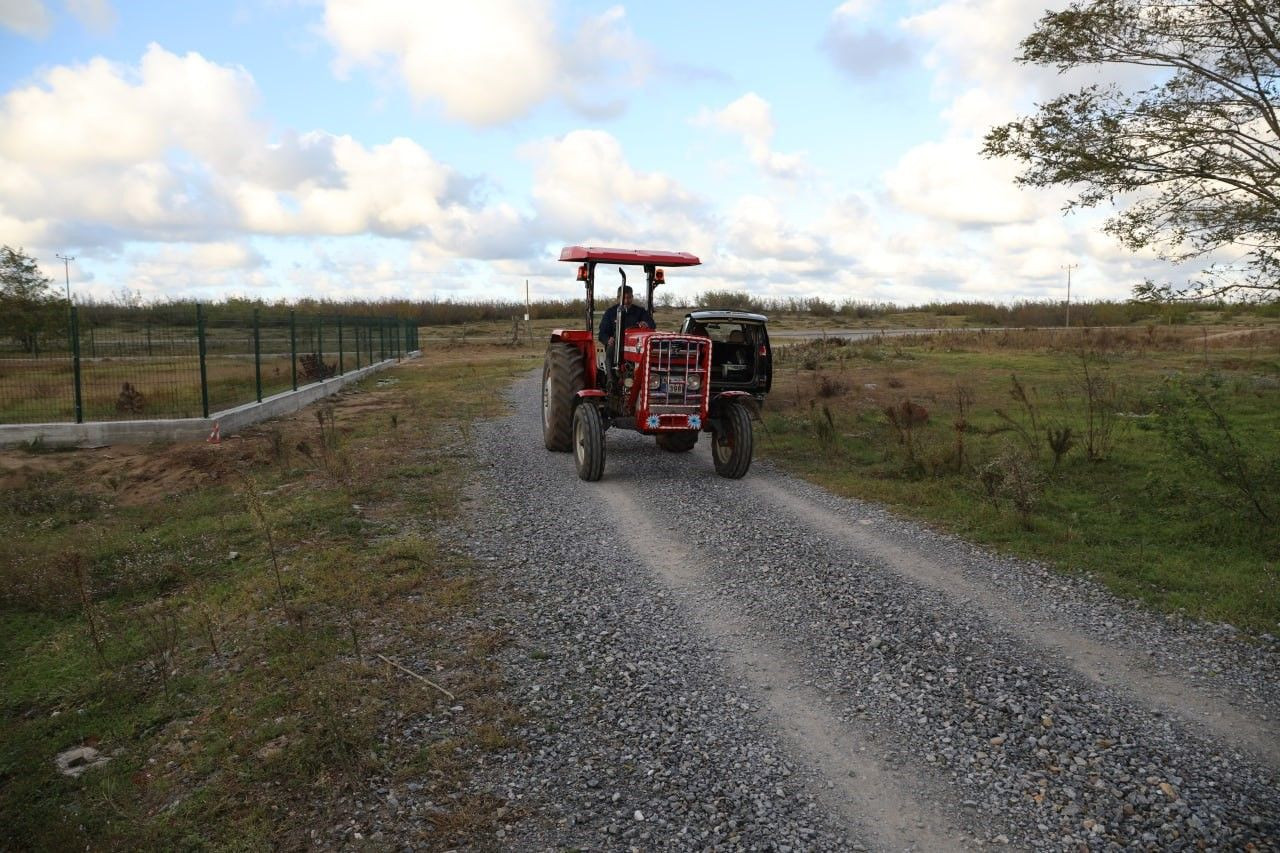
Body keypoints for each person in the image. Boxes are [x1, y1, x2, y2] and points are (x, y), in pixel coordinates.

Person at [598, 284, 654, 349]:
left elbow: (652, 324)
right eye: (623, 298)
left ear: (632, 297)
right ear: (618, 298)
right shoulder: (610, 313)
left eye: (629, 298)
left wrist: (646, 324)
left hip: (636, 347)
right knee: (611, 350)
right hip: (616, 347)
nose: (626, 301)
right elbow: (602, 334)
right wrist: (607, 339)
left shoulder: (640, 311)